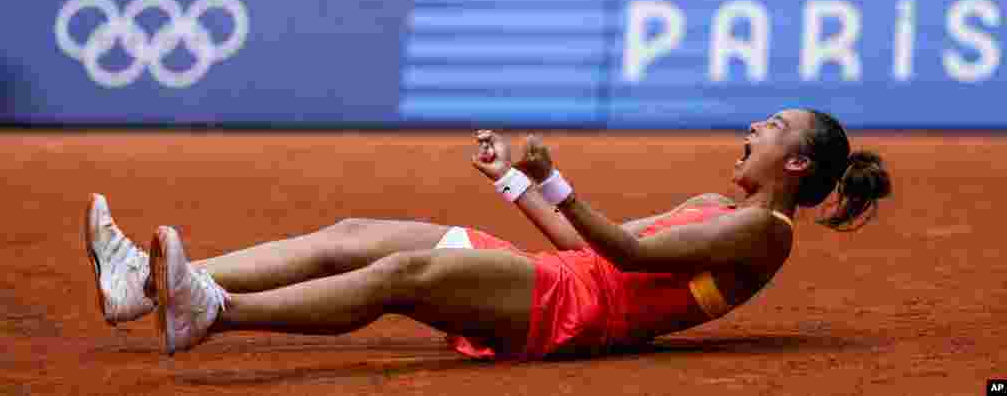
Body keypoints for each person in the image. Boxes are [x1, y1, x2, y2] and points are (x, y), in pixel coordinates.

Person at [85, 109, 891, 359]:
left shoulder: (767, 234)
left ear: (798, 163)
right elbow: (587, 246)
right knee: (353, 230)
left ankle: (213, 311)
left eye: (775, 126)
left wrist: (559, 178)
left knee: (405, 275)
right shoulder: (715, 203)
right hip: (547, 277)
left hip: (567, 316)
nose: (756, 125)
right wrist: (515, 178)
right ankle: (144, 287)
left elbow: (631, 256)